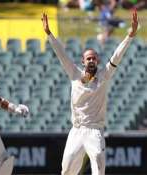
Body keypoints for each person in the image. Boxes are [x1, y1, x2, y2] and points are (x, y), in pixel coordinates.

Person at [41, 9, 138, 175]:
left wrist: (130, 35)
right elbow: (61, 54)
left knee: (99, 164)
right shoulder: (74, 74)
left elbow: (116, 56)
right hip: (77, 130)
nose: (91, 60)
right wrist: (49, 33)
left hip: (95, 131)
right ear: (83, 61)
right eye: (88, 58)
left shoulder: (104, 75)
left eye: (94, 58)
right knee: (67, 169)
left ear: (98, 61)